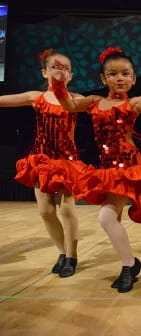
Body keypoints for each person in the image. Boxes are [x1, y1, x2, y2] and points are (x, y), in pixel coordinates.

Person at [49, 47, 141, 292]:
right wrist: (57, 83)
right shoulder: (93, 102)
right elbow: (67, 105)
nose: (119, 78)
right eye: (113, 74)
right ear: (103, 78)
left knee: (106, 217)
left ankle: (129, 265)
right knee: (112, 219)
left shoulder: (135, 103)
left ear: (133, 78)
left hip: (128, 166)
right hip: (107, 169)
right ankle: (129, 264)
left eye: (125, 73)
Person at [0, 49, 86, 277]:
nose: (61, 71)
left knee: (67, 210)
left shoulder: (76, 100)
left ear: (71, 75)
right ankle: (62, 251)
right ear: (44, 72)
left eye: (66, 68)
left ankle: (72, 257)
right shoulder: (35, 97)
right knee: (46, 211)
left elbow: (106, 105)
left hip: (67, 161)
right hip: (42, 160)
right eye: (56, 67)